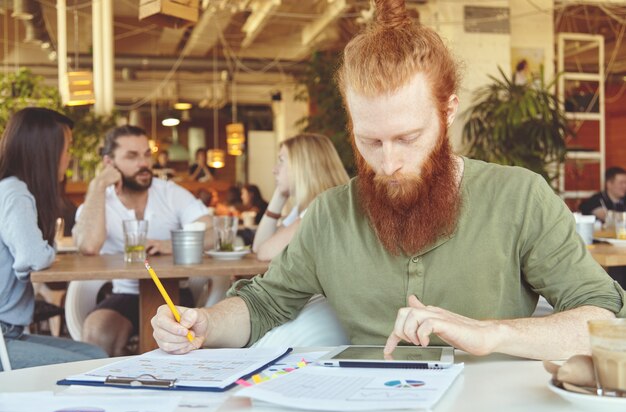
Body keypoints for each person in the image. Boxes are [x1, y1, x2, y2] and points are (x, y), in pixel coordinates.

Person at [152, 0, 625, 360]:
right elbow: (264, 304)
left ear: (449, 111)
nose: (389, 163)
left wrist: (493, 332)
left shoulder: (519, 197)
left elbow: (606, 320)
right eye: (370, 142)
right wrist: (204, 324)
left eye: (408, 137)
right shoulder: (331, 213)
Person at [73, 125, 213, 357]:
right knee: (98, 330)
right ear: (109, 163)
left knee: (178, 337)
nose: (144, 163)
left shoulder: (169, 192)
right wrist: (97, 186)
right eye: (132, 156)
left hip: (176, 294)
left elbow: (211, 232)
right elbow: (88, 245)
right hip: (124, 294)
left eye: (147, 154)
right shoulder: (99, 199)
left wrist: (168, 245)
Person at [0, 107, 107, 370]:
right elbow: (33, 257)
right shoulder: (14, 192)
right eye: (67, 148)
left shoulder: (12, 188)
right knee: (93, 367)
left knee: (96, 356)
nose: (69, 158)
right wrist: (49, 248)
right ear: (44, 151)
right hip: (4, 335)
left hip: (10, 332)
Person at [252, 134, 350, 261]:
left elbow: (264, 253)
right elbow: (259, 247)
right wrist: (279, 196)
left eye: (281, 161)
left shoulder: (321, 209)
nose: (274, 170)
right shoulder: (306, 207)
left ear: (303, 166)